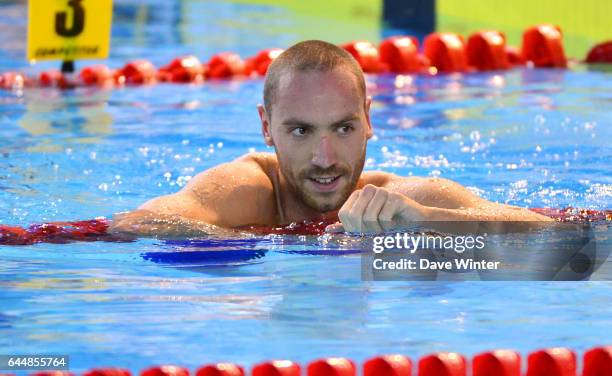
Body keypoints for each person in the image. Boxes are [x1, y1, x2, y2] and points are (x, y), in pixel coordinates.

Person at [109, 40, 551, 237]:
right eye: (301, 131)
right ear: (266, 127)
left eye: (343, 128)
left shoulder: (406, 196)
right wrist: (255, 239)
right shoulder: (246, 191)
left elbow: (557, 235)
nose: (325, 159)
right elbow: (134, 224)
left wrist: (424, 219)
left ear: (368, 120)